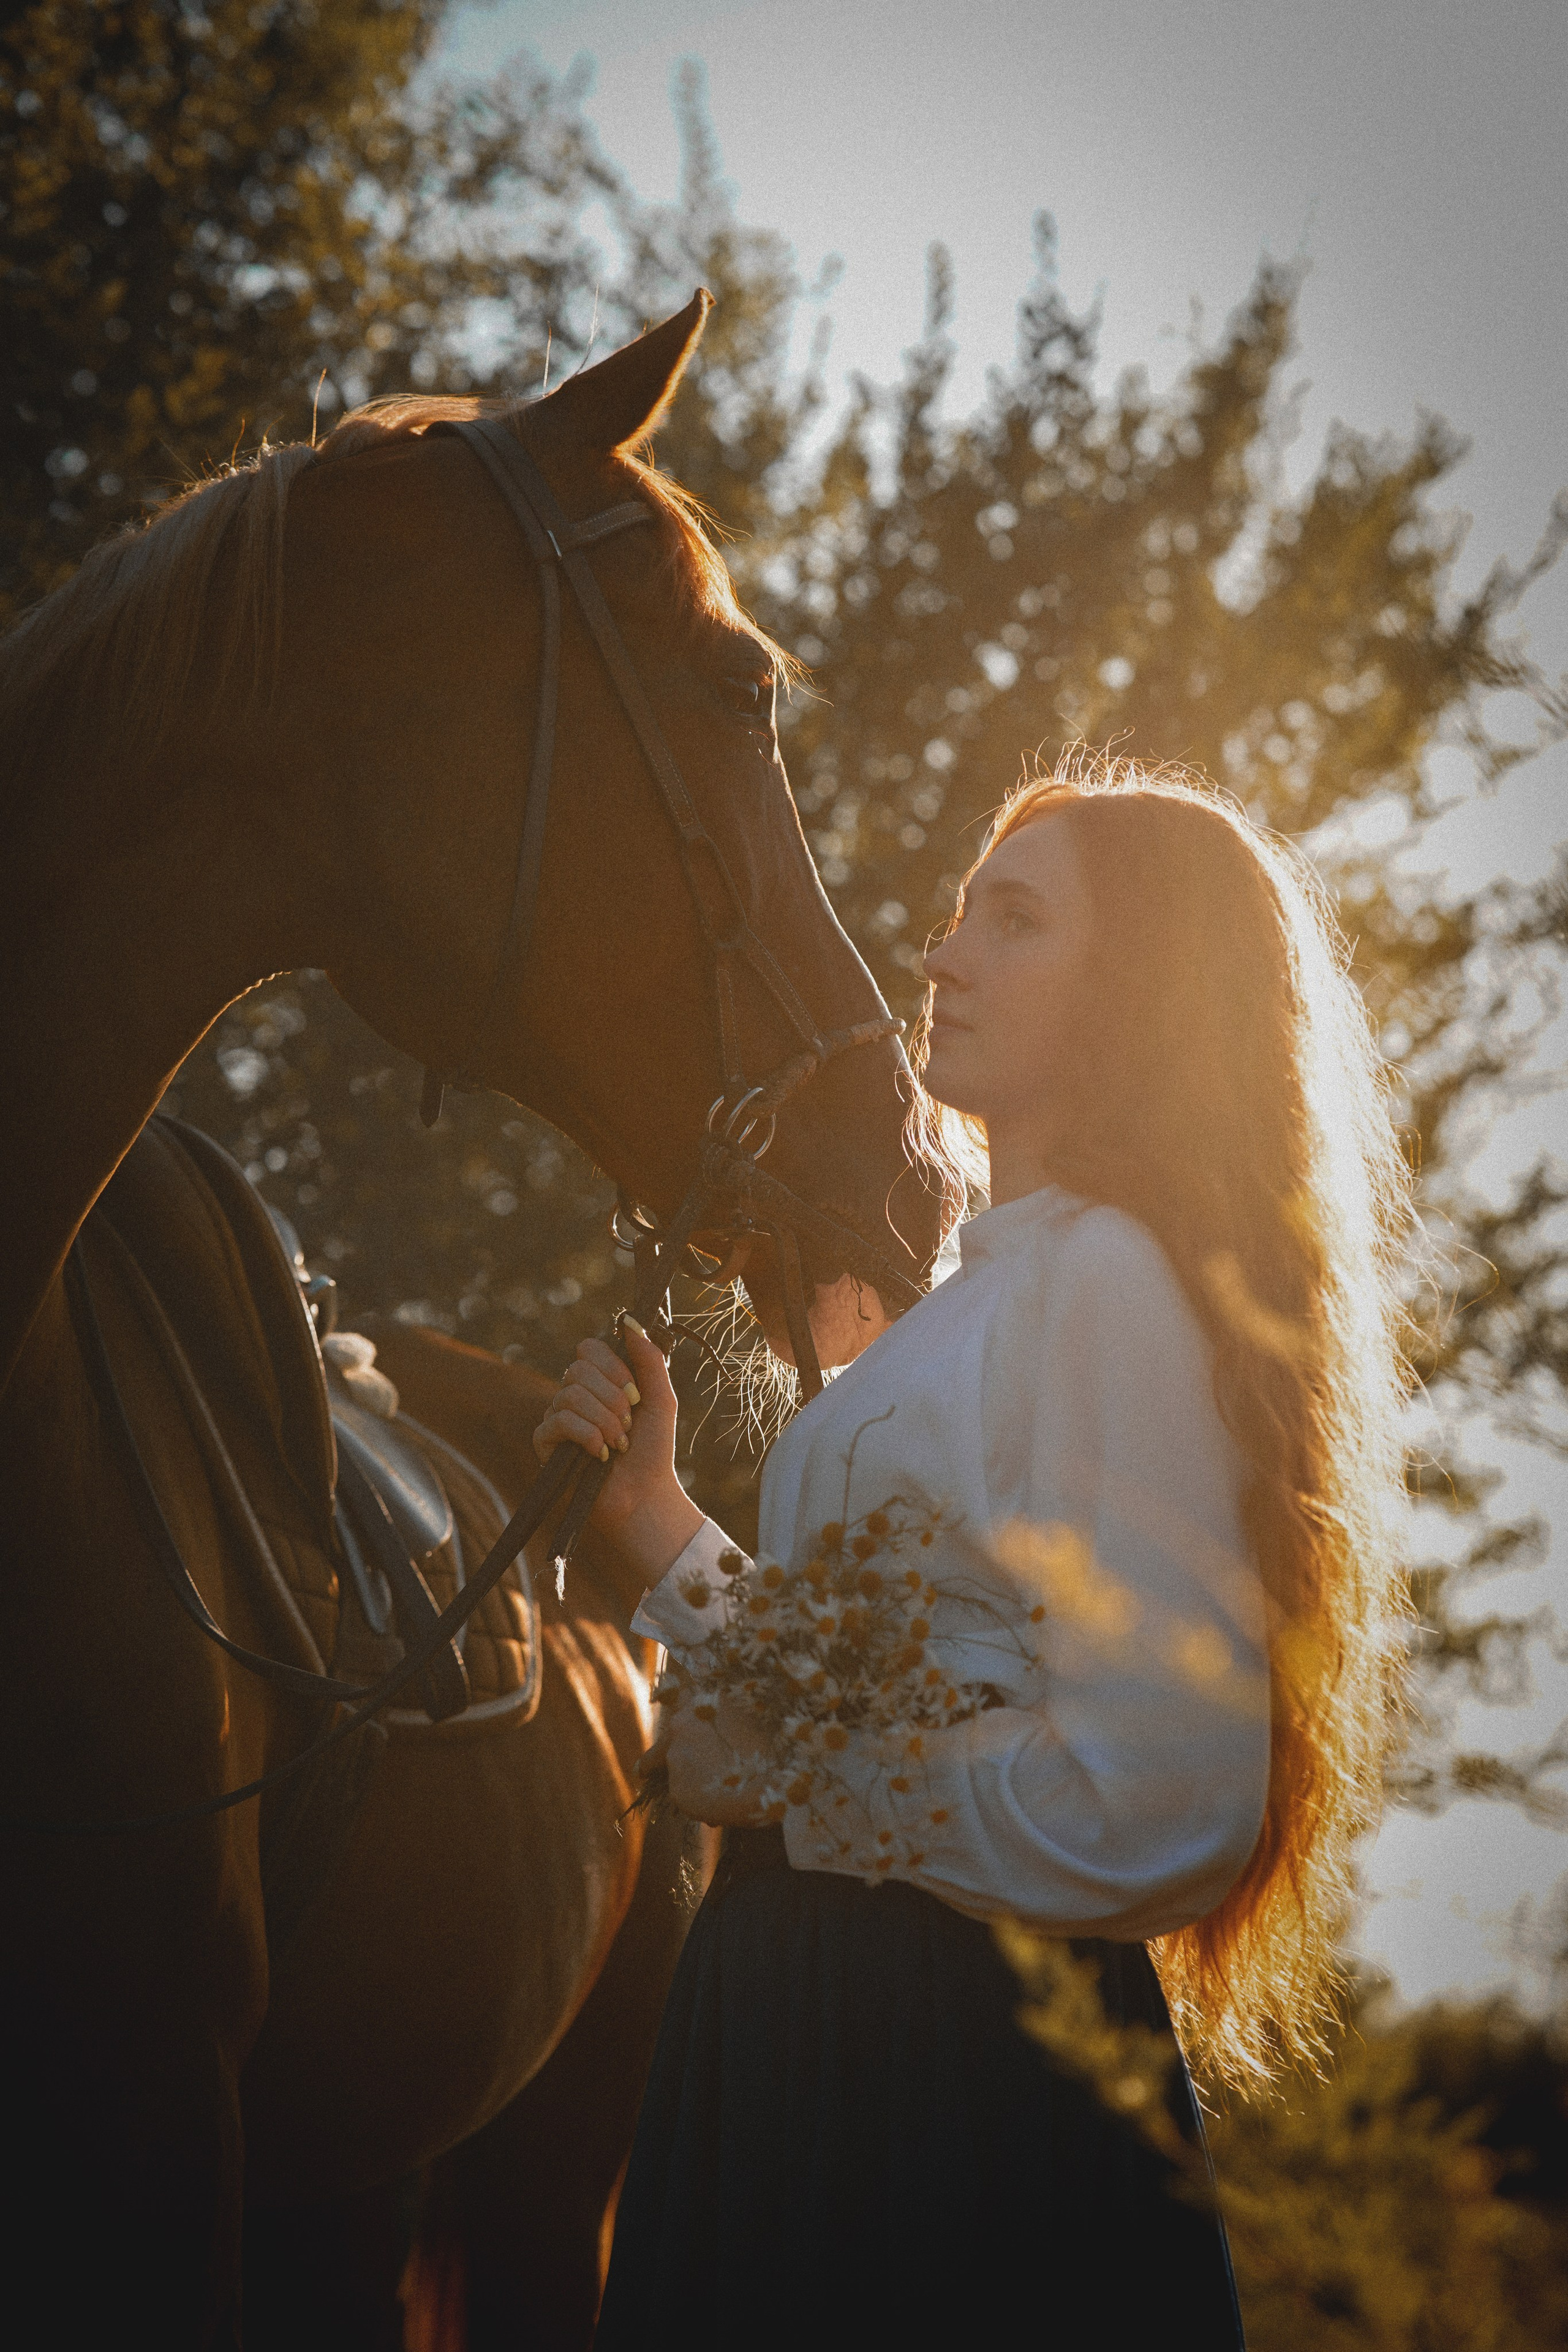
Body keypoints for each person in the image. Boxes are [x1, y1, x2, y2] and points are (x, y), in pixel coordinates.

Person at [537, 753, 1411, 2346]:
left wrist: (801, 1769)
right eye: (956, 917)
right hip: (800, 2018)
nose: (939, 959)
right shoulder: (982, 1305)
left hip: (928, 2067)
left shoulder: (1111, 1283)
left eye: (1012, 922)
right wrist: (658, 1520)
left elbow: (1156, 1804)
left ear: (1140, 986)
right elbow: (859, 1687)